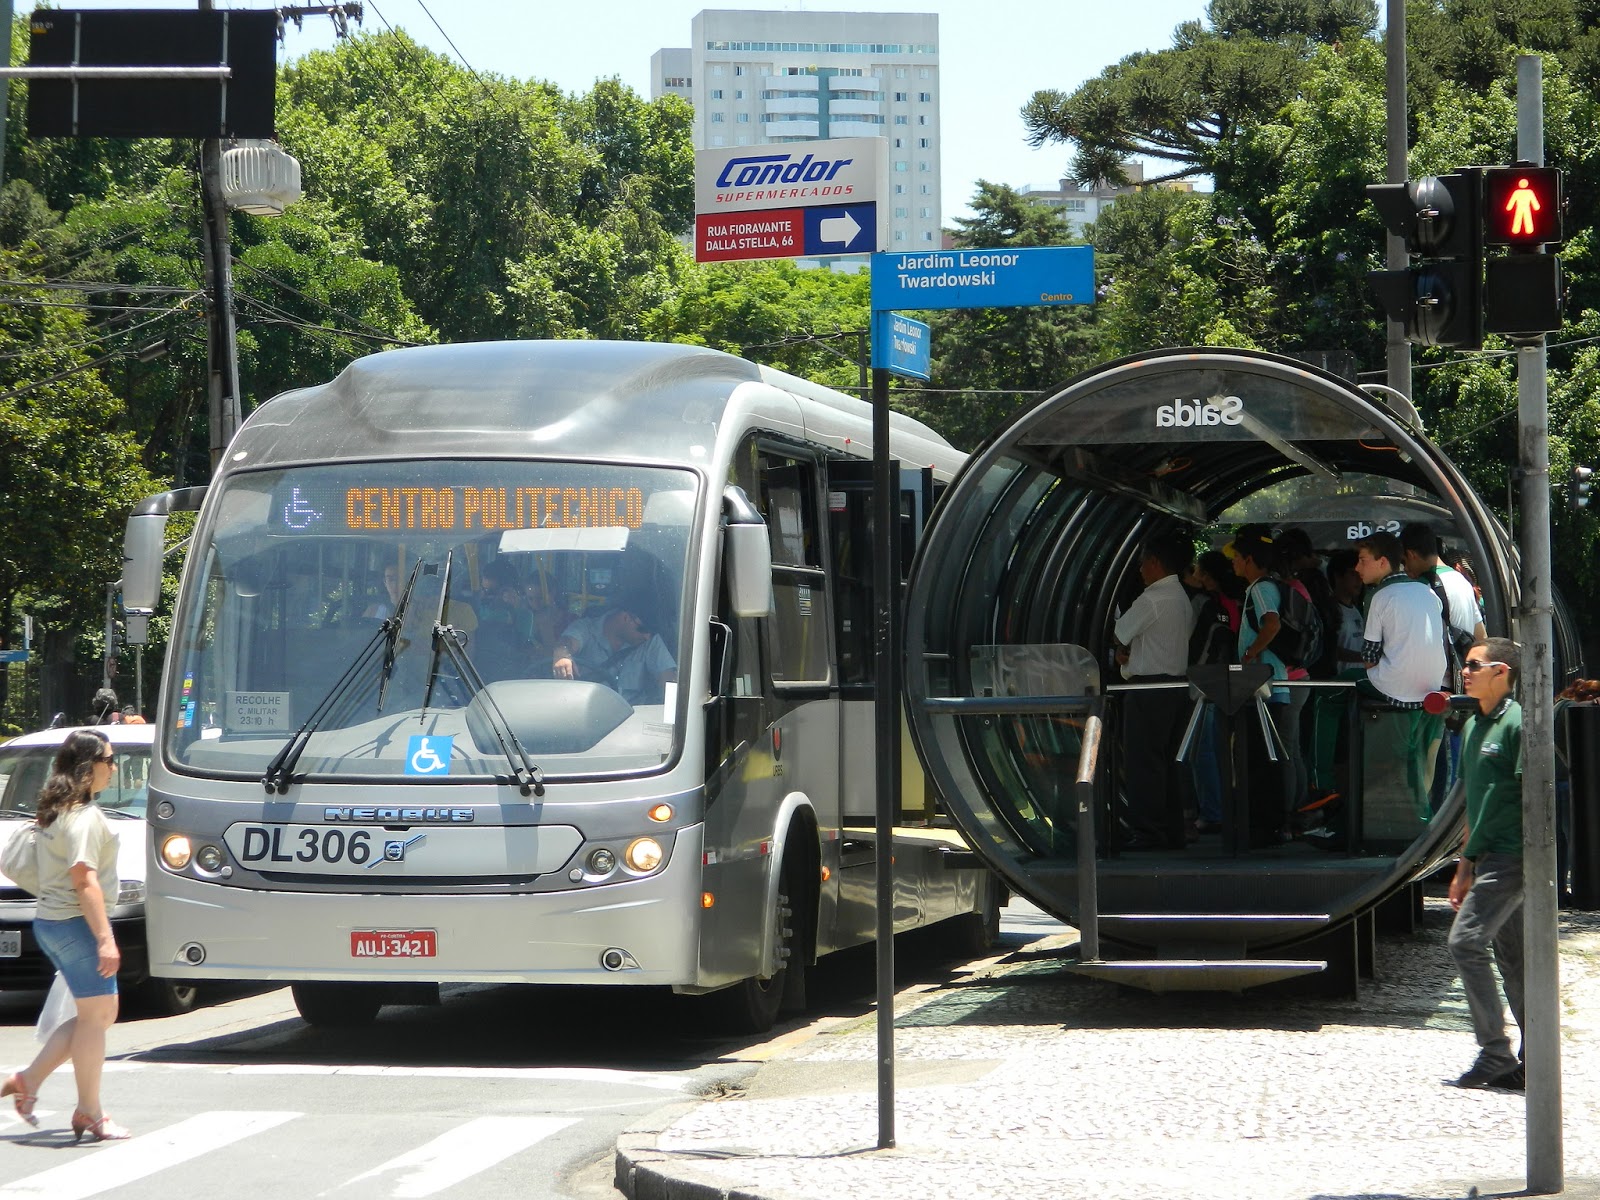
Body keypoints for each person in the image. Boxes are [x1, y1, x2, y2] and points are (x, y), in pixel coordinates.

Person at [2, 730, 132, 1140]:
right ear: (87, 766)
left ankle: (30, 1080)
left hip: (51, 923)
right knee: (97, 1017)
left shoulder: (57, 810)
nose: (114, 768)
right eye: (109, 760)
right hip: (74, 924)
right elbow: (84, 879)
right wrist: (105, 938)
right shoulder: (83, 817)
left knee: (94, 1016)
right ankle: (90, 1111)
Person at [1445, 637, 1526, 1091]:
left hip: (1514, 856)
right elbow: (1474, 805)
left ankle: (1495, 1051)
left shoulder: (1517, 724)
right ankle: (1529, 1057)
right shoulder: (1474, 727)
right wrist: (1463, 866)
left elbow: (1535, 796)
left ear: (1501, 672)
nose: (1465, 671)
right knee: (1512, 958)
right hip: (1489, 856)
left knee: (1465, 942)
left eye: (1474, 664)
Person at [1355, 531, 1447, 820]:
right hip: (1433, 688)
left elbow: (1369, 653)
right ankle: (1422, 817)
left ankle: (1323, 780)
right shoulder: (1428, 591)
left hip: (1394, 690)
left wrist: (1381, 675)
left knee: (1333, 690)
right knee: (1418, 762)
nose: (1357, 568)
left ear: (1383, 562)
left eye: (1362, 560)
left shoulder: (1378, 595)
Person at [1111, 535, 1196, 850]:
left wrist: (1124, 650)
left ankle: (1147, 832)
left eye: (1143, 562)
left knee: (1143, 762)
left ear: (1155, 562)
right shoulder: (1181, 598)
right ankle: (1172, 831)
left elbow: (1120, 632)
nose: (1140, 569)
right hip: (1177, 688)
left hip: (1148, 689)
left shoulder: (1153, 598)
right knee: (1169, 762)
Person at [1227, 524, 1309, 846]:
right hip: (1268, 686)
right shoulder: (1265, 586)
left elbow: (1271, 623)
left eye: (1236, 557)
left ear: (1249, 559)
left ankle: (1270, 825)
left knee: (1267, 761)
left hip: (1266, 688)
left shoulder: (1261, 589)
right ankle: (1270, 823)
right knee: (1271, 758)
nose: (1233, 563)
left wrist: (1251, 652)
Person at [1186, 550, 1239, 836]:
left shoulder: (1201, 603)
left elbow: (1189, 640)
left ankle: (1212, 811)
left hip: (1204, 682)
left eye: (1197, 571)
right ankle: (1231, 807)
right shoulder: (1236, 599)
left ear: (1206, 576)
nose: (1193, 576)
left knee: (1202, 749)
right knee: (1226, 749)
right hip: (1237, 681)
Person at [550, 595, 676, 705]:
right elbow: (568, 641)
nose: (647, 636)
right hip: (585, 717)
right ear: (626, 617)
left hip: (633, 722)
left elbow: (670, 682)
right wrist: (562, 654)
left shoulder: (650, 642)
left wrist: (671, 718)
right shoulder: (586, 629)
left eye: (651, 632)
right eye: (643, 629)